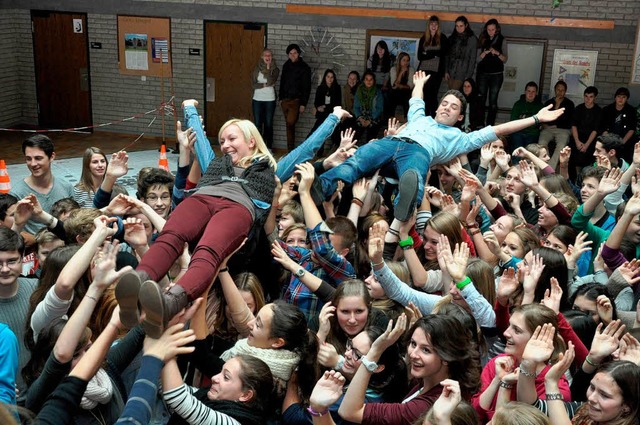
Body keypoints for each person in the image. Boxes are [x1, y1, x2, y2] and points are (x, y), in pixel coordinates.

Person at [317, 71, 565, 223]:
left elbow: (497, 130)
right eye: (444, 103)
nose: (447, 107)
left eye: (454, 107)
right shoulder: (420, 118)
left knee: (413, 173)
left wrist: (535, 119)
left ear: (459, 117)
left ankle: (407, 203)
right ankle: (323, 185)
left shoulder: (460, 137)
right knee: (359, 158)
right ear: (437, 107)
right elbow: (416, 98)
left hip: (418, 152)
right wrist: (420, 83)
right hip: (391, 143)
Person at [116, 111, 277, 338]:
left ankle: (169, 303)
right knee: (170, 234)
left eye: (232, 139)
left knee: (207, 252)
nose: (225, 145)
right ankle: (137, 284)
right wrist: (190, 110)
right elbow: (201, 144)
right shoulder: (216, 163)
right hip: (204, 197)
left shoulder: (268, 168)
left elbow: (305, 151)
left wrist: (334, 118)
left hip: (238, 206)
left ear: (251, 141)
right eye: (221, 141)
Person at [338, 314, 481, 424]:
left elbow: (349, 411)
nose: (413, 354)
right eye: (413, 343)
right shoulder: (427, 379)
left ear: (447, 357)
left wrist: (375, 351)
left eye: (425, 350)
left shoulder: (425, 407)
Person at [0, 228, 37, 403]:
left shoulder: (36, 290)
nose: (5, 269)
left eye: (12, 261)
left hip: (40, 392)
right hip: (7, 400)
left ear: (22, 260)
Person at [10, 135, 74, 236]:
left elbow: (75, 223)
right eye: (28, 159)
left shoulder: (66, 187)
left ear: (52, 157)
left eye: (38, 158)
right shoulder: (17, 193)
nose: (33, 164)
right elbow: (11, 231)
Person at [279, 43, 312, 151]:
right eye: (290, 53)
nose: (293, 55)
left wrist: (303, 103)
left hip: (296, 101)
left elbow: (307, 87)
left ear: (298, 54)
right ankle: (290, 150)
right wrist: (280, 98)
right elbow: (282, 82)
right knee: (289, 126)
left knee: (290, 122)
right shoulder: (286, 66)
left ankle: (290, 150)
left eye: (295, 53)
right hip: (285, 100)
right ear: (288, 55)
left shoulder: (304, 67)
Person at [476, 19, 508, 126]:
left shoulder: (502, 40)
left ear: (497, 29)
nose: (490, 31)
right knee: (481, 99)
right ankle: (480, 124)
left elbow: (505, 59)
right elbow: (477, 60)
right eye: (488, 29)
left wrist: (497, 53)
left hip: (496, 74)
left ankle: (490, 125)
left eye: (492, 29)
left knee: (493, 101)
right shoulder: (482, 38)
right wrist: (484, 53)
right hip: (483, 73)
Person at [538, 81, 575, 169]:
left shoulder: (569, 104)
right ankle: (541, 166)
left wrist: (556, 125)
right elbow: (543, 118)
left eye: (562, 90)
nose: (560, 92)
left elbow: (569, 121)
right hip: (548, 129)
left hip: (563, 130)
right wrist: (545, 125)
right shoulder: (549, 103)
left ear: (565, 92)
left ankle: (549, 168)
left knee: (561, 147)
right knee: (541, 144)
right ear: (555, 90)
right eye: (558, 90)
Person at [417, 16, 448, 116]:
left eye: (435, 24)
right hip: (423, 70)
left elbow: (443, 54)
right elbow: (420, 56)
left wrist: (427, 52)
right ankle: (424, 116)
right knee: (424, 95)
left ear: (438, 26)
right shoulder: (424, 38)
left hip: (436, 71)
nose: (433, 26)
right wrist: (434, 54)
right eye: (431, 24)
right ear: (428, 25)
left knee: (433, 95)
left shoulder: (442, 38)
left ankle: (434, 117)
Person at [570, 86, 602, 176]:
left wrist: (586, 145)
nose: (588, 99)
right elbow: (574, 126)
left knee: (589, 158)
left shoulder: (598, 111)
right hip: (577, 137)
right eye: (586, 96)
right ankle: (571, 180)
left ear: (595, 98)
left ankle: (584, 178)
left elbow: (595, 130)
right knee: (571, 156)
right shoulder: (578, 108)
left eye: (591, 97)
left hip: (590, 139)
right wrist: (577, 141)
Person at [252, 48, 279, 149]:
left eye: (269, 55)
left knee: (268, 124)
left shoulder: (275, 69)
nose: (267, 57)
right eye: (265, 55)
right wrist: (264, 85)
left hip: (270, 99)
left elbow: (271, 81)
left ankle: (268, 147)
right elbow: (253, 84)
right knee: (258, 124)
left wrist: (268, 69)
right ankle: (258, 148)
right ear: (262, 57)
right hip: (257, 99)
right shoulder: (256, 68)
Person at [599, 87, 637, 160]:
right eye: (618, 96)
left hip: (624, 140)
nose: (620, 99)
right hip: (610, 138)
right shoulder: (607, 109)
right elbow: (602, 127)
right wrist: (609, 141)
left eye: (623, 97)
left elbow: (632, 129)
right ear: (615, 98)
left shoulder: (631, 110)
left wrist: (622, 142)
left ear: (627, 99)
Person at [310, 69, 342, 155]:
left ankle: (335, 152)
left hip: (332, 114)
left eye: (332, 77)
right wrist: (318, 107)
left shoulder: (337, 88)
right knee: (317, 130)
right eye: (328, 77)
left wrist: (325, 107)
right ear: (325, 77)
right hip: (322, 114)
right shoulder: (320, 88)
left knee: (334, 132)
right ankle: (318, 152)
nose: (330, 79)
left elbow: (337, 104)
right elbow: (316, 102)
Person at [510, 82, 544, 154]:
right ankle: (515, 164)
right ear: (525, 92)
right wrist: (531, 121)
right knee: (517, 151)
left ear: (536, 93)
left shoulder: (540, 106)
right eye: (528, 91)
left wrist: (523, 118)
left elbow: (540, 123)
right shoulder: (518, 104)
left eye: (533, 91)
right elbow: (513, 121)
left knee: (529, 153)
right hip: (518, 132)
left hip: (532, 133)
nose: (530, 94)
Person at [446, 16, 478, 91]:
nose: (459, 28)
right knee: (451, 92)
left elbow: (472, 59)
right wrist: (446, 71)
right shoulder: (452, 38)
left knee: (455, 93)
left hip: (463, 72)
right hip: (451, 71)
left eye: (461, 26)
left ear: (466, 25)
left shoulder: (472, 39)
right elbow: (447, 55)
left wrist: (468, 76)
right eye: (457, 26)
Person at [353, 71, 384, 144]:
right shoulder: (359, 91)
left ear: (374, 81)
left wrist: (370, 120)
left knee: (371, 135)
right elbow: (356, 107)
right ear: (363, 80)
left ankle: (368, 151)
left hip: (374, 117)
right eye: (366, 79)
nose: (368, 81)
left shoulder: (377, 92)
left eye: (371, 79)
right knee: (356, 133)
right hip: (362, 117)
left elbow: (379, 108)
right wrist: (360, 118)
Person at [388, 52, 415, 119]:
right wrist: (401, 72)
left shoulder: (411, 70)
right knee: (391, 96)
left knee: (407, 98)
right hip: (395, 92)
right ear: (399, 61)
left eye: (407, 60)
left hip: (406, 91)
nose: (406, 62)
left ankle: (407, 119)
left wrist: (399, 85)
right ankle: (390, 118)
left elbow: (410, 86)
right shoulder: (393, 69)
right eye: (404, 60)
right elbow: (393, 85)